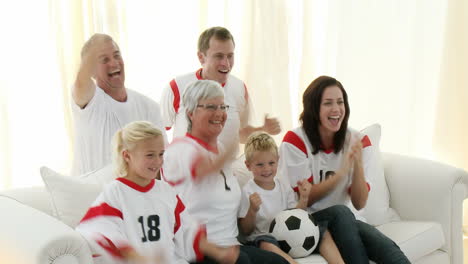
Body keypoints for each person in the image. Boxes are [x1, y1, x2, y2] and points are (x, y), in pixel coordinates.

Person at [279, 75, 410, 263]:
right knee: (340, 212)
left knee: (389, 251)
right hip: (307, 222)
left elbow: (359, 203)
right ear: (313, 108)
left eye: (340, 102)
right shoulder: (295, 141)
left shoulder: (358, 140)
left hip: (347, 221)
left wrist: (356, 164)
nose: (336, 109)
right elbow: (305, 199)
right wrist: (341, 173)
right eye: (328, 103)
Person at [75, 121, 238, 264]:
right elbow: (98, 229)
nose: (158, 161)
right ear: (127, 156)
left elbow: (187, 229)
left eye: (161, 154)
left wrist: (219, 253)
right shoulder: (115, 192)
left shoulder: (165, 191)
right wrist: (141, 259)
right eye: (150, 155)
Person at [162, 80, 289, 264]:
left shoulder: (220, 148)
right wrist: (235, 143)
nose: (220, 113)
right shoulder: (181, 149)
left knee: (279, 263)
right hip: (199, 252)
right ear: (190, 113)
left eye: (223, 106)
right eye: (211, 107)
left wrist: (260, 130)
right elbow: (203, 171)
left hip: (232, 246)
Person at [160, 26, 280, 151]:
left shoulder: (239, 88)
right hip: (186, 169)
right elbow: (158, 131)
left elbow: (240, 134)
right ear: (201, 57)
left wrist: (264, 129)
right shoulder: (177, 87)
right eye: (219, 56)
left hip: (225, 169)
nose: (226, 64)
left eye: (230, 56)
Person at [238, 132, 344, 264]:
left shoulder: (283, 185)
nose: (267, 169)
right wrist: (252, 210)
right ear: (248, 165)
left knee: (322, 230)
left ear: (278, 160)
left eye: (271, 163)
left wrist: (304, 198)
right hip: (265, 238)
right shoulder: (247, 191)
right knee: (265, 243)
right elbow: (245, 231)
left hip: (289, 236)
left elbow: (295, 215)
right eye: (260, 165)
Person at [71, 33, 167, 176]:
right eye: (104, 59)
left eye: (117, 56)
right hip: (92, 194)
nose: (114, 63)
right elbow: (81, 84)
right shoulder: (90, 101)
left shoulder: (149, 106)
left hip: (135, 194)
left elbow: (160, 160)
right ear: (91, 70)